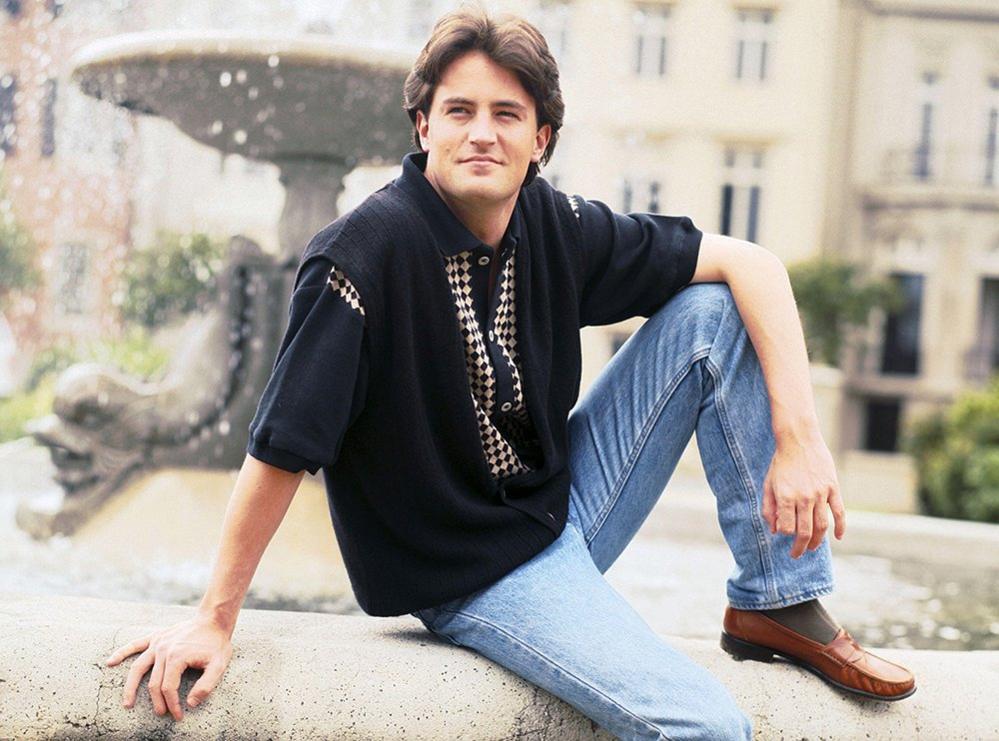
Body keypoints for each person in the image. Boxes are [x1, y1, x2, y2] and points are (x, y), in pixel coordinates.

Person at [105, 5, 916, 737]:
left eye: (506, 114)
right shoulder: (361, 257)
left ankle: (775, 599)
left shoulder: (551, 220)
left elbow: (753, 262)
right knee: (704, 727)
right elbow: (280, 447)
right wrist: (215, 616)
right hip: (468, 571)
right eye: (458, 111)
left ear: (541, 140)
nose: (481, 133)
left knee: (712, 311)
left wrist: (799, 438)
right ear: (423, 125)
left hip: (555, 508)